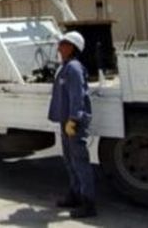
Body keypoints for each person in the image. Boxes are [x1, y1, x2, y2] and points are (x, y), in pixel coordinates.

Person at [48, 30, 96, 218]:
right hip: (65, 122)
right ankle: (75, 194)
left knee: (80, 162)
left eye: (63, 44)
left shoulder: (74, 68)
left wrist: (74, 120)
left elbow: (78, 96)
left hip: (73, 122)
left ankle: (88, 203)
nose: (59, 47)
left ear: (72, 47)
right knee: (69, 160)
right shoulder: (66, 66)